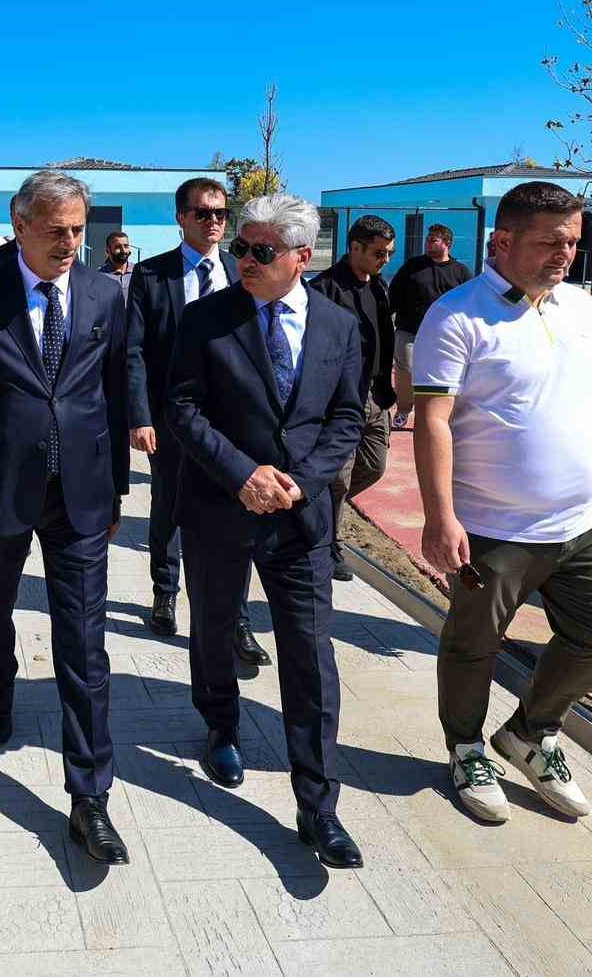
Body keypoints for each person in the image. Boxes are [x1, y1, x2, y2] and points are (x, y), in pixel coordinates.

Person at [412, 181, 592, 824]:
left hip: (582, 518)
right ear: (504, 241)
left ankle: (530, 731)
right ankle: (465, 747)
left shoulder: (579, 306)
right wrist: (440, 517)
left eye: (573, 242)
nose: (565, 254)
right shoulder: (456, 316)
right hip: (494, 524)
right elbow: (433, 420)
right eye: (551, 242)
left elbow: (590, 396)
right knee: (474, 643)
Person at [0, 170, 131, 865]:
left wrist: (115, 494)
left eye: (79, 229)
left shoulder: (107, 294)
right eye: (56, 231)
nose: (71, 243)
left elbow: (112, 396)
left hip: (79, 495)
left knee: (85, 645)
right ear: (19, 227)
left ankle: (90, 798)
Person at [167, 193, 366, 868]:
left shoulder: (339, 326)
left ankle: (319, 806)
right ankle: (220, 724)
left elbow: (345, 419)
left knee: (311, 658)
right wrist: (243, 475)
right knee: (216, 626)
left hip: (300, 519)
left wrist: (301, 483)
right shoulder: (206, 319)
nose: (243, 259)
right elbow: (184, 410)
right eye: (241, 249)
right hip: (223, 507)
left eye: (261, 251)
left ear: (302, 257)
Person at [125, 177, 266, 666]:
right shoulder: (151, 276)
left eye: (221, 214)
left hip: (232, 422)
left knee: (238, 514)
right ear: (181, 217)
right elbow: (135, 351)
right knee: (168, 507)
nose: (214, 223)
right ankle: (165, 593)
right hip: (172, 417)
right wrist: (140, 415)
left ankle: (238, 618)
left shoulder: (242, 271)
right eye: (203, 213)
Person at [309, 215, 397, 582]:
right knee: (339, 478)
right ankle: (330, 546)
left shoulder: (380, 286)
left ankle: (314, 507)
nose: (385, 259)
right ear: (355, 247)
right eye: (379, 252)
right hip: (341, 399)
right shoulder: (323, 289)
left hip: (376, 394)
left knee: (373, 467)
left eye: (390, 253)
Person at [389, 224, 471, 429]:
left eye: (433, 240)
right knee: (405, 369)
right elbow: (395, 292)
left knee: (441, 374)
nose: (428, 243)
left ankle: (439, 416)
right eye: (428, 239)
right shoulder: (412, 266)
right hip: (409, 330)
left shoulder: (460, 272)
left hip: (444, 335)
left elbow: (469, 302)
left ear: (447, 244)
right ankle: (403, 409)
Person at [98, 231, 134, 299]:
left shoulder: (138, 272)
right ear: (108, 251)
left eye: (126, 246)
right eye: (118, 247)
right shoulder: (99, 276)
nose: (123, 250)